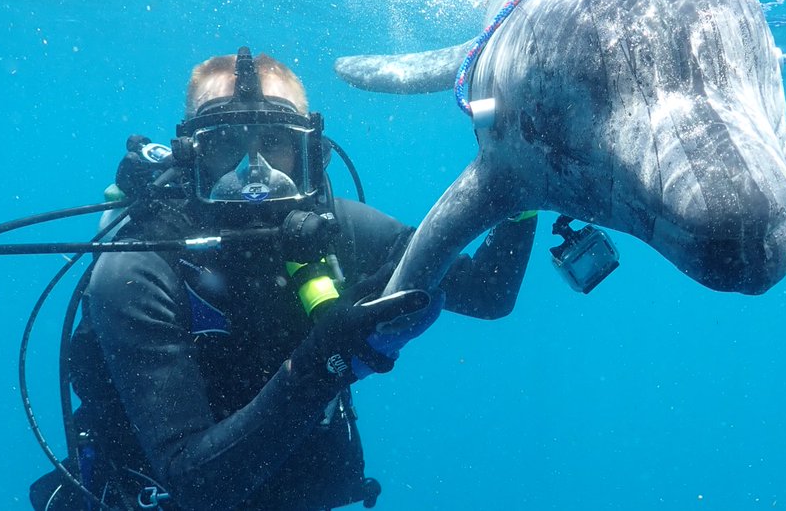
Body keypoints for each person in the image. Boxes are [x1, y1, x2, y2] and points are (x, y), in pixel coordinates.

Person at [32, 48, 536, 511]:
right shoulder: (138, 268)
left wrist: (517, 179)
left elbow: (488, 293)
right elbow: (198, 486)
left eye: (276, 142)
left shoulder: (343, 230)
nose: (256, 172)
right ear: (192, 154)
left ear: (310, 151)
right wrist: (331, 360)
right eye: (226, 143)